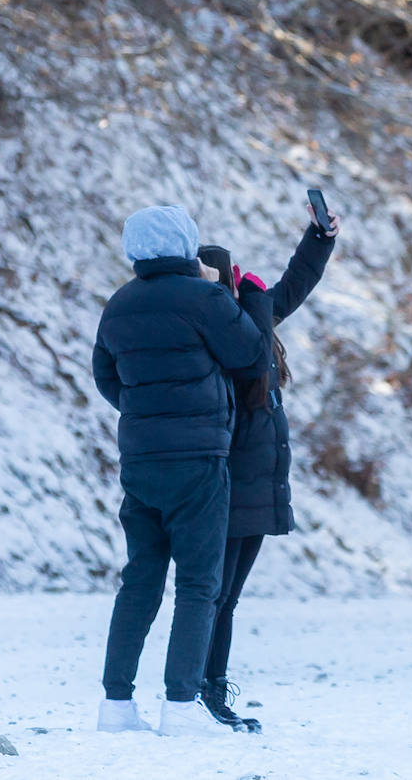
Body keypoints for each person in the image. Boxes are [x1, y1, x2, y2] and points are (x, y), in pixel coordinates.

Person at [92, 203, 272, 737]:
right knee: (199, 584)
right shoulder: (205, 297)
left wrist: (146, 411)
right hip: (197, 461)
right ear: (185, 245)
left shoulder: (118, 304)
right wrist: (244, 296)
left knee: (140, 581)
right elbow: (253, 356)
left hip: (140, 459)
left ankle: (116, 707)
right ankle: (182, 708)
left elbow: (106, 377)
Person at [196, 199, 341, 730]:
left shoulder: (251, 316)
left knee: (226, 598)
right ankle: (196, 689)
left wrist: (319, 238)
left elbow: (295, 283)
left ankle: (210, 686)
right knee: (210, 596)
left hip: (260, 480)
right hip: (226, 479)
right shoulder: (206, 333)